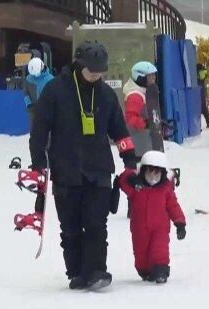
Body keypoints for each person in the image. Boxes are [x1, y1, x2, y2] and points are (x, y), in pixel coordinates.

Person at [30, 40, 138, 290]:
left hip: (99, 169)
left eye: (101, 71)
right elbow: (39, 131)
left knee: (96, 224)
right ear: (79, 65)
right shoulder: (55, 90)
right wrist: (38, 164)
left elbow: (120, 132)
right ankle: (77, 272)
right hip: (66, 169)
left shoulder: (107, 96)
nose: (96, 75)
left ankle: (97, 270)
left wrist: (129, 160)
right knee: (70, 227)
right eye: (92, 71)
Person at [119, 151, 186, 284]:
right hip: (139, 229)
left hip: (160, 228)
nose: (153, 177)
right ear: (143, 172)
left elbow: (173, 206)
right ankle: (144, 270)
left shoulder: (166, 190)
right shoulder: (136, 188)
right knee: (140, 252)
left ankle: (161, 270)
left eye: (157, 173)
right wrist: (130, 175)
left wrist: (180, 223)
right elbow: (123, 181)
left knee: (159, 249)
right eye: (149, 173)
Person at [123, 61, 158, 159]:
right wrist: (146, 124)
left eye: (154, 75)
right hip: (139, 144)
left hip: (144, 142)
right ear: (141, 77)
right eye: (150, 76)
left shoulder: (143, 92)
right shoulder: (135, 96)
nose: (154, 77)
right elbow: (130, 118)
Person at [197, 64, 209, 128]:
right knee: (204, 108)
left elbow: (198, 81)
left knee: (201, 107)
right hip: (202, 90)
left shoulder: (198, 73)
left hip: (199, 91)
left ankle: (201, 124)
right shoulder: (203, 73)